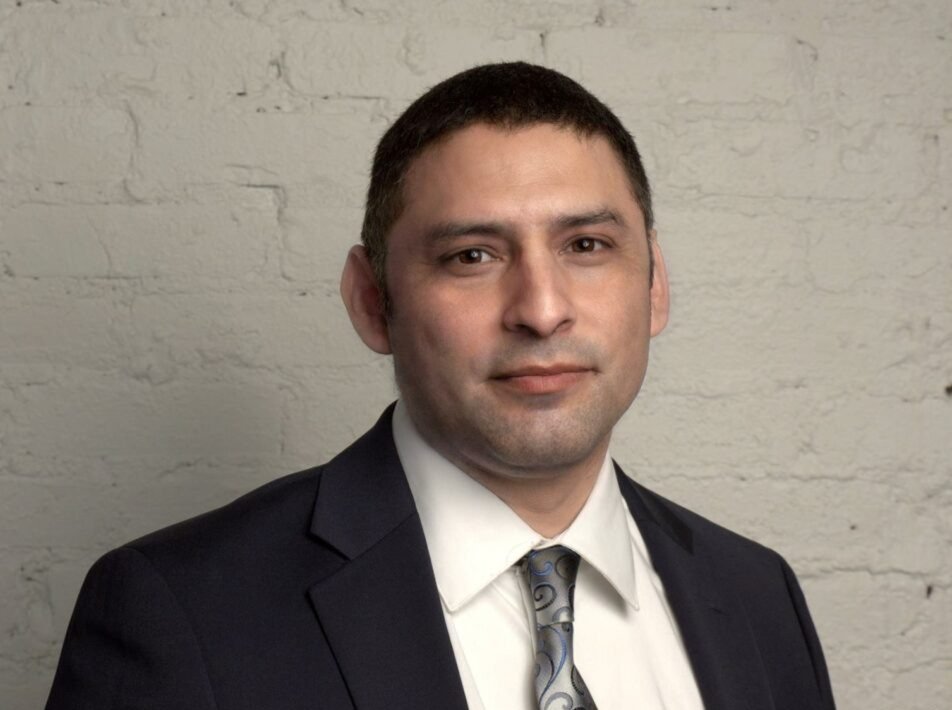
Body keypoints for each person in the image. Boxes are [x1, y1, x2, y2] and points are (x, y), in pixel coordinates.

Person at [46, 62, 836, 710]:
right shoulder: (182, 613)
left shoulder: (757, 598)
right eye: (472, 257)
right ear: (371, 301)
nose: (542, 310)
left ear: (655, 285)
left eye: (586, 245)